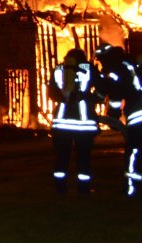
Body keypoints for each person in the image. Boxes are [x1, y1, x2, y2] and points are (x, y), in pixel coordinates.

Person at [94, 44, 142, 196]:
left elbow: (115, 95)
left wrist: (113, 115)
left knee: (134, 152)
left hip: (138, 115)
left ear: (105, 58)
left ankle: (133, 189)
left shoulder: (116, 69)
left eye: (101, 61)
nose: (101, 64)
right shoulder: (133, 62)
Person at [48, 47, 102, 194]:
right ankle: (83, 189)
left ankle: (60, 188)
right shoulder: (89, 68)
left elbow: (51, 93)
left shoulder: (58, 70)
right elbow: (102, 89)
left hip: (62, 124)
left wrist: (65, 99)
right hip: (84, 125)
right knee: (84, 157)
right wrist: (92, 99)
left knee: (61, 157)